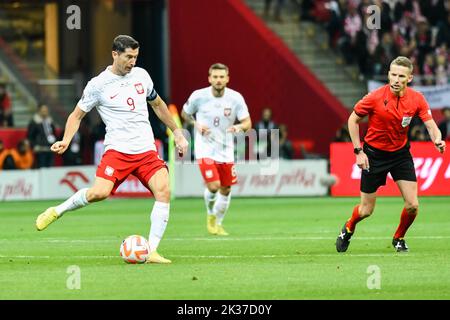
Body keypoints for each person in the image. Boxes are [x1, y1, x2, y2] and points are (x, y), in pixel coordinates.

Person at [35, 35, 188, 264]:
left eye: (135, 57)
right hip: (118, 151)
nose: (132, 62)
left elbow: (157, 105)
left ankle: (152, 250)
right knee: (99, 193)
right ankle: (57, 210)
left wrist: (176, 132)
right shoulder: (98, 85)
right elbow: (77, 115)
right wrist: (66, 140)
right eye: (128, 57)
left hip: (146, 150)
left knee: (164, 191)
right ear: (115, 54)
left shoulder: (142, 76)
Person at [335, 56, 446, 253]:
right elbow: (352, 120)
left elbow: (431, 125)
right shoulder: (374, 97)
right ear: (388, 74)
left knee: (412, 205)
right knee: (366, 210)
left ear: (409, 78)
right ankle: (349, 228)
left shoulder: (417, 98)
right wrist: (358, 151)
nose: (395, 79)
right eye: (393, 74)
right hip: (373, 154)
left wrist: (437, 139)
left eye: (401, 76)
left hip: (400, 155)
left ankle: (399, 238)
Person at [181, 63, 252, 236]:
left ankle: (218, 223)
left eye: (222, 77)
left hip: (226, 149)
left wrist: (239, 128)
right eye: (215, 77)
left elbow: (248, 123)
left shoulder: (236, 98)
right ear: (209, 78)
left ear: (227, 78)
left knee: (226, 189)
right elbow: (185, 114)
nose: (218, 80)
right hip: (204, 148)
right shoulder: (199, 96)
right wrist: (195, 124)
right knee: (214, 186)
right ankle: (210, 215)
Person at [27, 103, 57, 168]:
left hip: (50, 149)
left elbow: (54, 133)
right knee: (42, 168)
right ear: (39, 111)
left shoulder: (50, 121)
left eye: (46, 111)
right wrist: (34, 146)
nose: (45, 112)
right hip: (40, 149)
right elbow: (30, 136)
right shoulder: (34, 122)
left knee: (50, 169)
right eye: (43, 111)